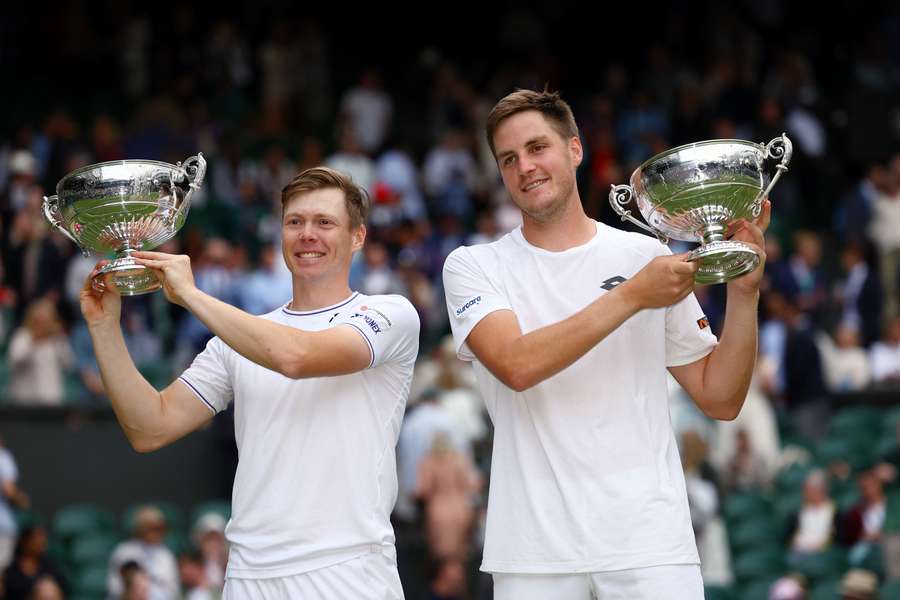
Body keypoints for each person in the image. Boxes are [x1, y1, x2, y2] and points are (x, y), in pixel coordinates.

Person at [442, 89, 768, 599]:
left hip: (650, 545)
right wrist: (634, 294)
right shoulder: (473, 266)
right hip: (534, 554)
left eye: (537, 147)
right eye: (509, 159)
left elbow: (720, 398)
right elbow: (516, 365)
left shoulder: (644, 253)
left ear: (575, 149)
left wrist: (743, 293)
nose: (525, 166)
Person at [81, 167, 419, 599]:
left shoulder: (391, 313)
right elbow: (151, 428)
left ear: (358, 237)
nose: (307, 234)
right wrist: (104, 326)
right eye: (294, 222)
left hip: (347, 570)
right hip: (247, 576)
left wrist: (191, 295)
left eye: (325, 222)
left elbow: (296, 357)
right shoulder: (237, 339)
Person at [107, 506, 179, 600]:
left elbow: (173, 591)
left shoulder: (165, 554)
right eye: (153, 527)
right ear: (141, 528)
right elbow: (115, 588)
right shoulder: (124, 551)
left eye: (161, 528)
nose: (159, 532)